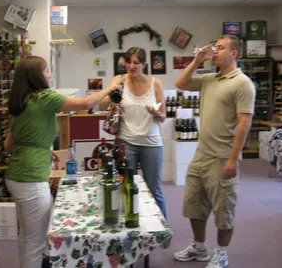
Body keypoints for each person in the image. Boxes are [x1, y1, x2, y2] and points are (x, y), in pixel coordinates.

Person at [4, 56, 121, 268]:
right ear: (35, 76)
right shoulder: (45, 97)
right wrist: (111, 86)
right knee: (36, 242)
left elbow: (9, 146)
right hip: (31, 178)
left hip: (15, 176)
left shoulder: (19, 103)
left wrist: (38, 148)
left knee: (25, 237)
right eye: (46, 71)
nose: (49, 75)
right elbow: (86, 103)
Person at [173, 35, 256, 268]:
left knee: (223, 211)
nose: (215, 51)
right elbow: (180, 83)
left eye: (221, 48)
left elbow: (244, 124)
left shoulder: (242, 83)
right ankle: (199, 247)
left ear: (234, 54)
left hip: (223, 158)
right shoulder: (209, 79)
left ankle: (222, 253)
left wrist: (232, 159)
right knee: (194, 204)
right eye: (215, 47)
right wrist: (196, 60)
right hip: (201, 155)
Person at [100, 47, 167, 219]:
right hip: (127, 141)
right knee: (126, 186)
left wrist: (156, 113)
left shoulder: (155, 83)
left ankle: (162, 228)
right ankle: (128, 226)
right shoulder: (118, 79)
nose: (131, 66)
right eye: (128, 62)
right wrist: (113, 96)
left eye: (136, 63)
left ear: (144, 64)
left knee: (154, 189)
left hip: (151, 143)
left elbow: (163, 117)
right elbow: (102, 105)